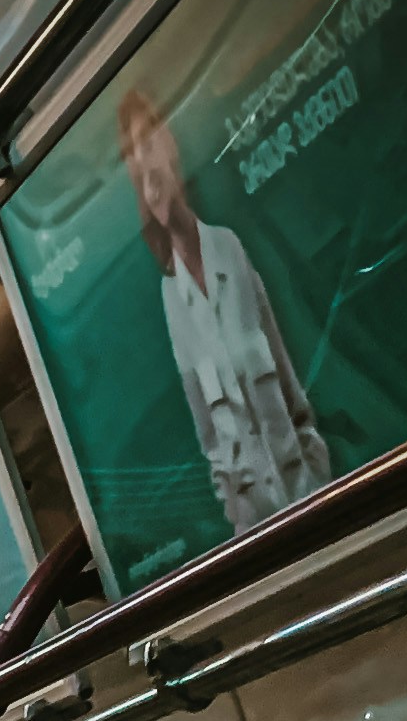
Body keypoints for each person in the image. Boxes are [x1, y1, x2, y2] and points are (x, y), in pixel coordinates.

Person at [117, 85, 330, 533]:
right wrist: (239, 517)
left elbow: (289, 384)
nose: (149, 165)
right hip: (257, 532)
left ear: (171, 146)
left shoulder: (229, 248)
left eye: (150, 141)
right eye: (137, 160)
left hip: (308, 497)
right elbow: (209, 437)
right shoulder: (171, 298)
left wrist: (316, 473)